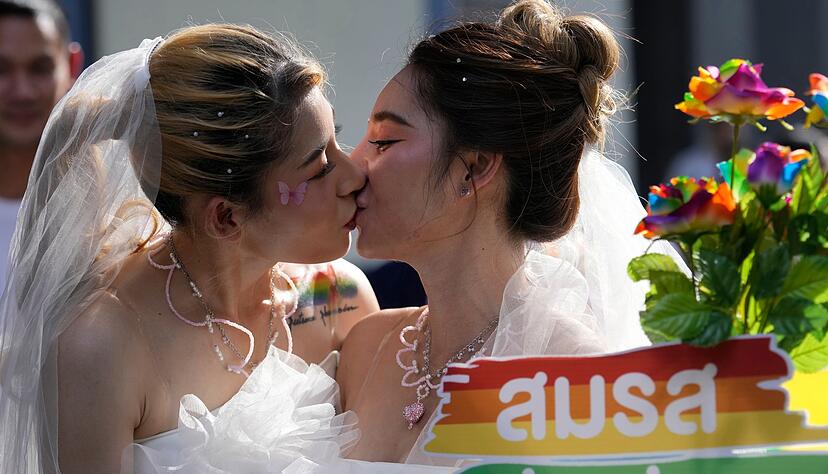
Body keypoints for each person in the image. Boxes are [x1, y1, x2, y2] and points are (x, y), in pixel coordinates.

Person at [0, 23, 380, 473]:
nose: (354, 175)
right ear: (226, 217)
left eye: (337, 139)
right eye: (319, 168)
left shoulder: (339, 298)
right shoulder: (102, 342)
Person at [338, 0, 684, 465]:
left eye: (384, 141)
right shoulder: (365, 347)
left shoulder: (578, 376)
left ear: (475, 167)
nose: (353, 165)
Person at [0, 0, 81, 291]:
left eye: (40, 69)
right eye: (1, 69)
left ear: (72, 65)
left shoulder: (111, 214)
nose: (21, 92)